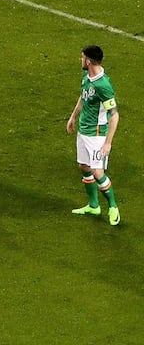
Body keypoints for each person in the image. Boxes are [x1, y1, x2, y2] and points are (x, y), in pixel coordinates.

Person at [67, 45, 120, 226]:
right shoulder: (87, 78)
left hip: (97, 135)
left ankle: (113, 207)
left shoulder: (103, 84)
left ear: (88, 61)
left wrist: (108, 143)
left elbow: (114, 115)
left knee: (98, 172)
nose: (81, 60)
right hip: (83, 131)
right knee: (84, 166)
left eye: (82, 58)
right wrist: (73, 117)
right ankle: (93, 205)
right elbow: (83, 97)